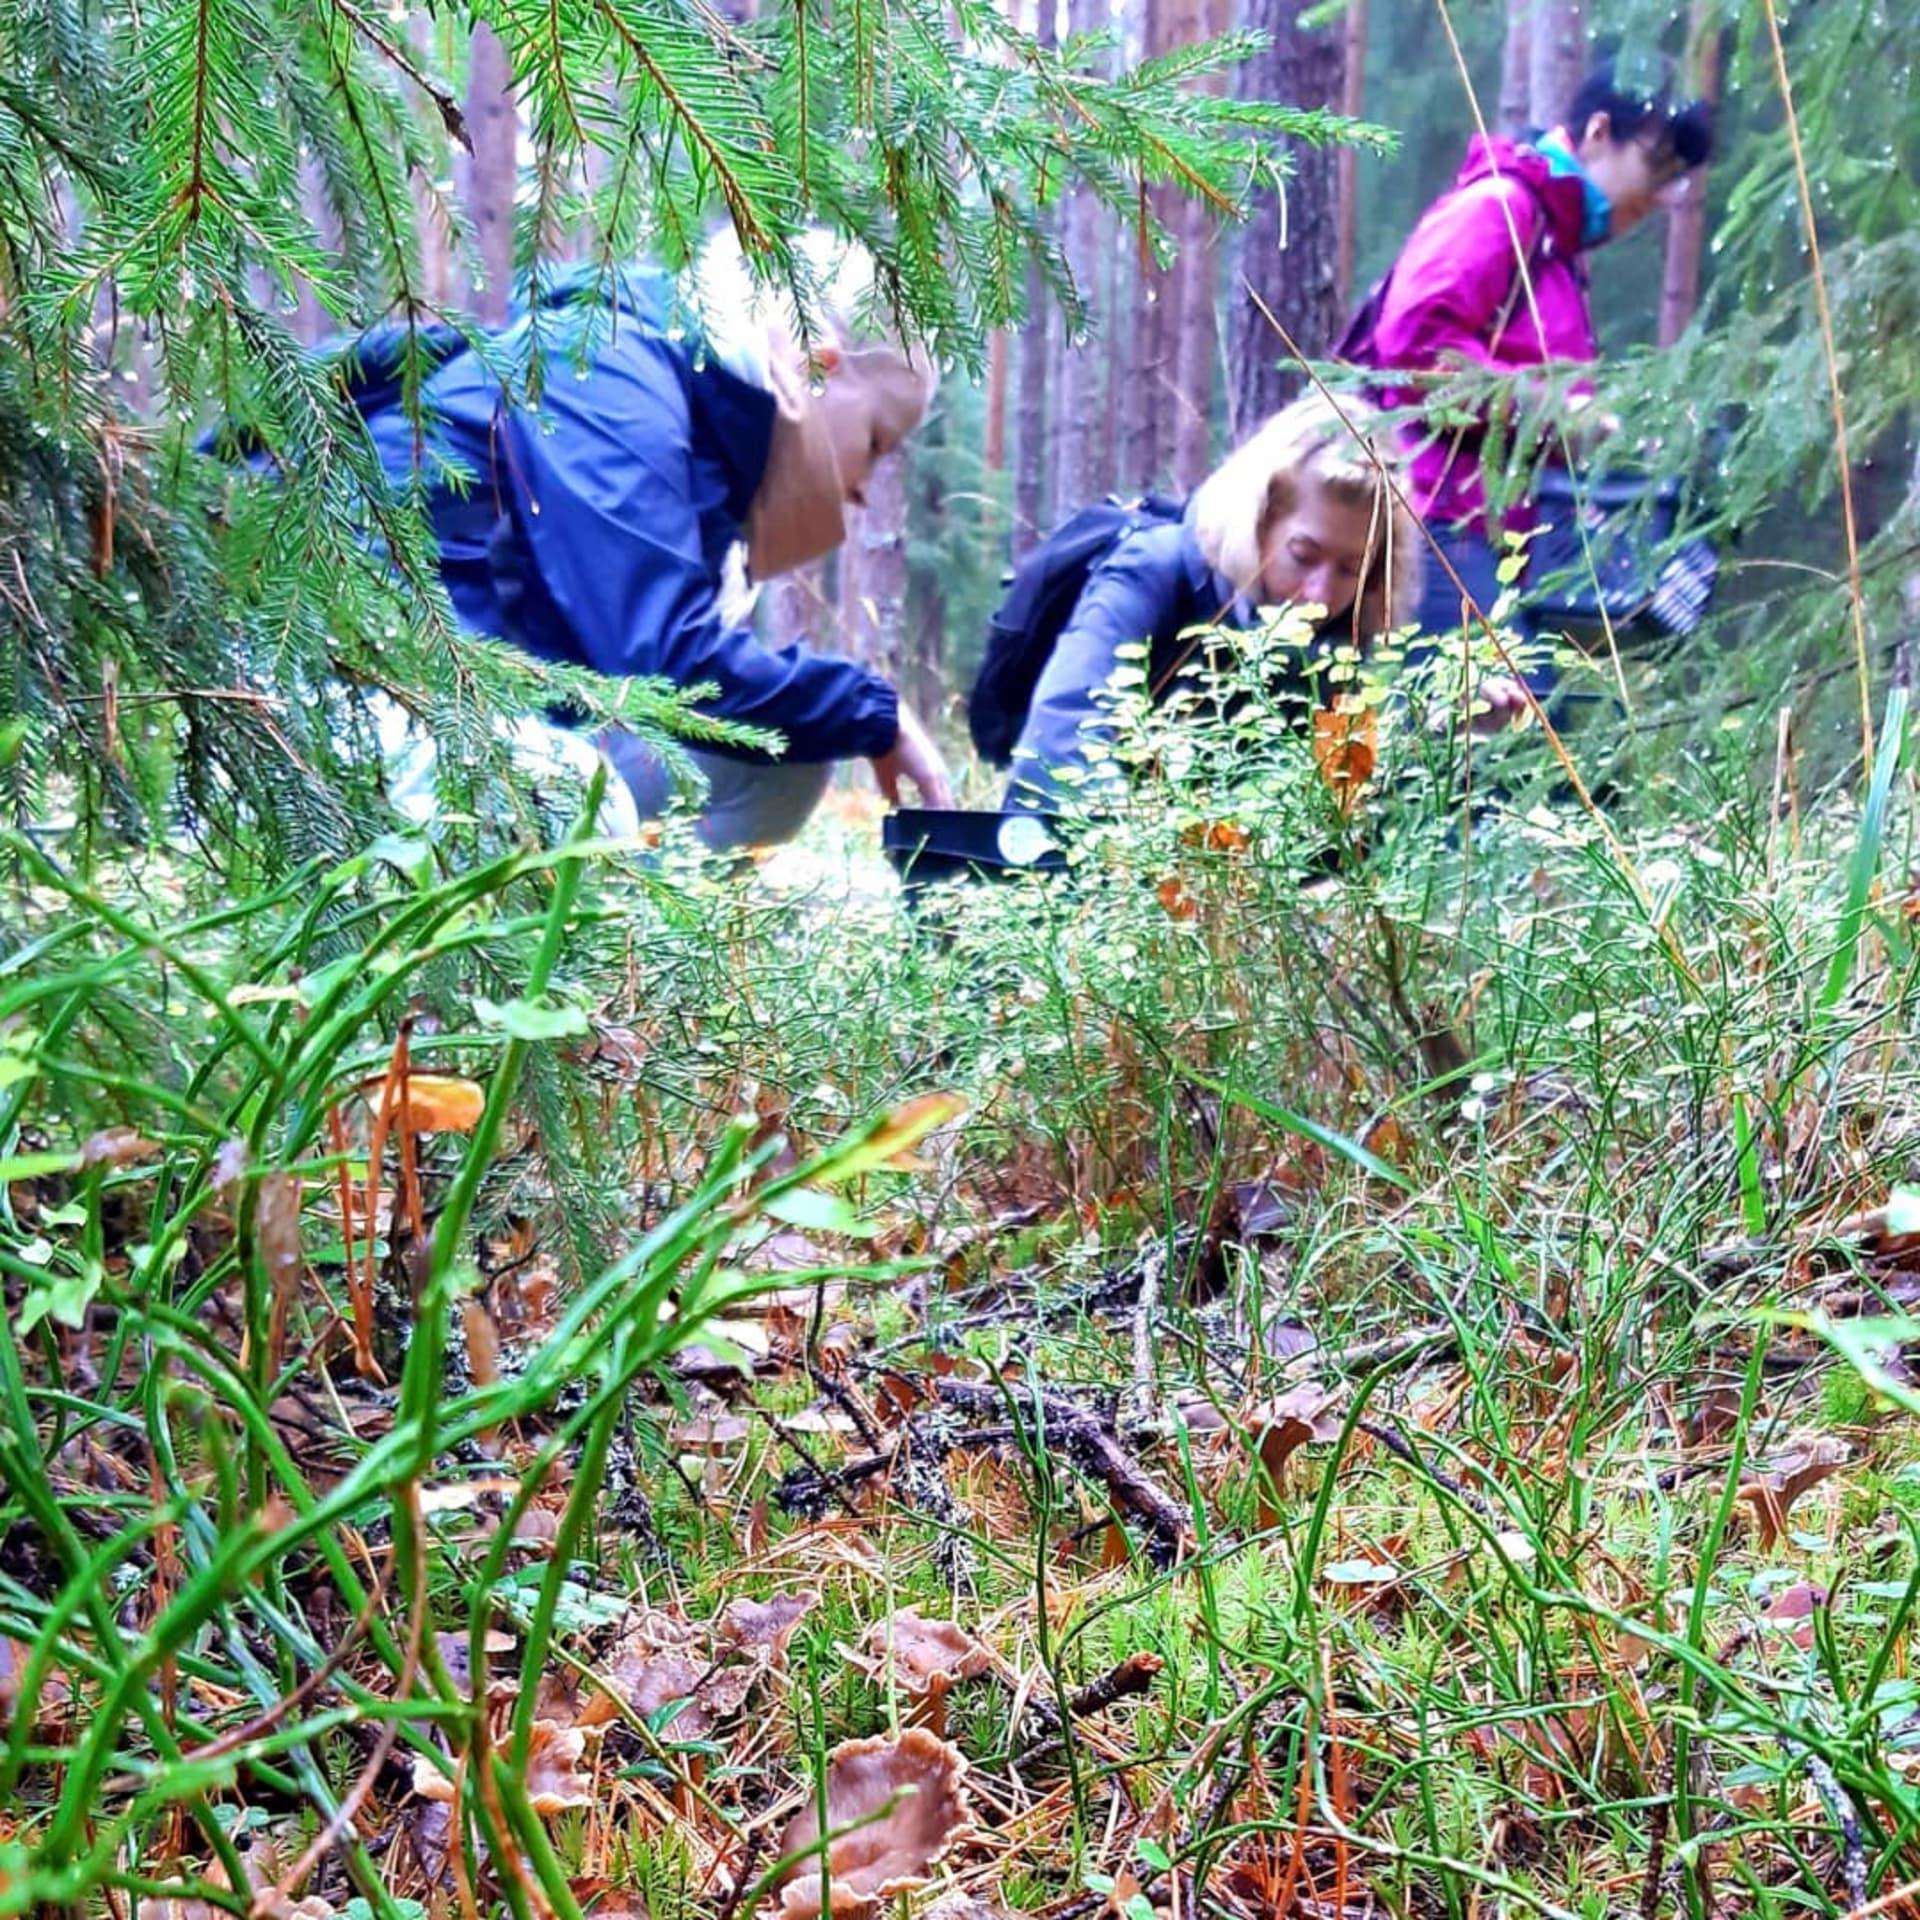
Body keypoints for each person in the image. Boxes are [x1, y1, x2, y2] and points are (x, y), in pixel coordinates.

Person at [359, 232, 953, 848]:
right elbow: (658, 658)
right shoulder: (606, 367)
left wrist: (853, 714)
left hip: (468, 707)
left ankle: (644, 938)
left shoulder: (688, 415)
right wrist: (871, 712)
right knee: (580, 797)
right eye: (877, 443)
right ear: (817, 364)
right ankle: (580, 937)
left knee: (776, 768)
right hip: (352, 695)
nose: (861, 492)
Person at [1364, 57, 1714, 728]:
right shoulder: (1500, 208)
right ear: (1598, 132)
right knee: (1472, 764)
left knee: (1510, 745)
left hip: (1494, 543)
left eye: (1677, 182)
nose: (1661, 198)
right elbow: (1412, 352)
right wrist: (1566, 416)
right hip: (1439, 526)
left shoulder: (1554, 247)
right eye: (1657, 166)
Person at [1003, 392, 1420, 806]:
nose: (1321, 595)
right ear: (1258, 519)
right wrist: (1143, 853)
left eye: (1351, 569)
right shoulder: (1150, 573)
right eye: (1303, 556)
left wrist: (1436, 737)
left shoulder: (1343, 642)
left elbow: (1342, 811)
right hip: (1090, 851)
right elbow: (1060, 733)